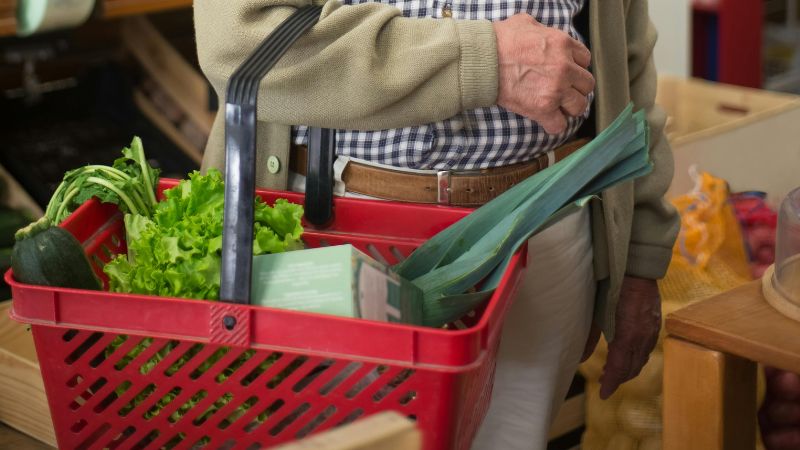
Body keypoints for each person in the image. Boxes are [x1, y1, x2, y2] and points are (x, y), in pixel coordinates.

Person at [194, 0, 680, 448]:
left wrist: (640, 255)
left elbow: (628, 51)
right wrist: (483, 61)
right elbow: (239, 43)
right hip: (334, 233)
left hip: (549, 223)